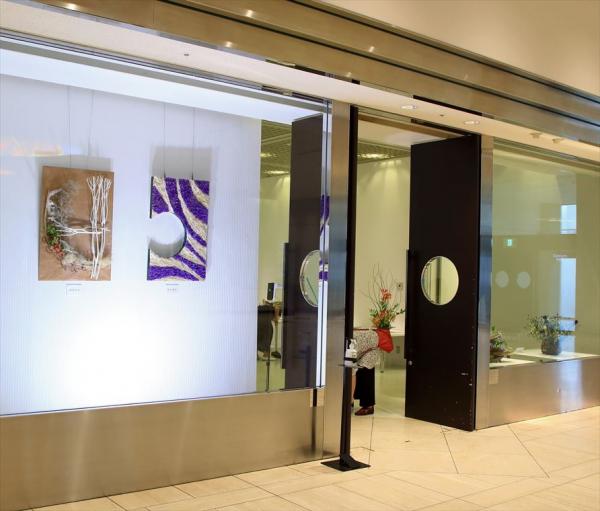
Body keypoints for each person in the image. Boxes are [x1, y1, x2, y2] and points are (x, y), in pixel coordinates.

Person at [352, 329, 379, 416]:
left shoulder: (349, 339)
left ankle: (368, 406)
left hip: (371, 351)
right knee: (360, 375)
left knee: (366, 377)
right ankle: (353, 400)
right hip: (367, 348)